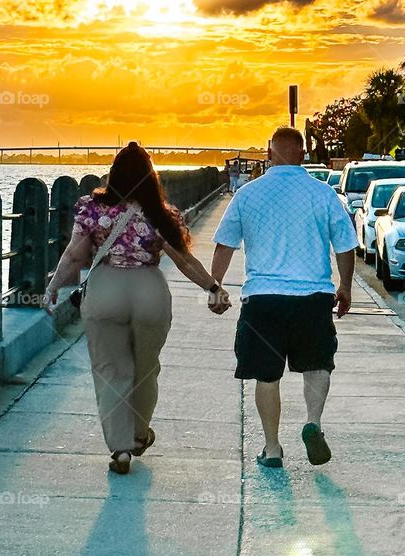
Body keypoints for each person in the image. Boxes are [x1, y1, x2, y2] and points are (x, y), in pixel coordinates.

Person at [45, 142, 231, 475]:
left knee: (112, 372)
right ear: (151, 177)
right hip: (149, 292)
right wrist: (213, 288)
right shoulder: (161, 213)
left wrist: (52, 287)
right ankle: (139, 434)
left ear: (114, 173)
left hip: (105, 291)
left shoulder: (91, 208)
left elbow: (75, 255)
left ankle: (120, 449)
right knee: (146, 370)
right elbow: (184, 260)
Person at [209, 126, 357, 468]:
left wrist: (216, 286)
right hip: (313, 296)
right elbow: (345, 245)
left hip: (263, 299)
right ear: (302, 154)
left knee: (266, 374)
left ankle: (272, 448)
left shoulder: (247, 194)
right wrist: (345, 286)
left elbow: (225, 244)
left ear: (269, 152)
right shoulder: (323, 194)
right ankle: (312, 424)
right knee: (317, 364)